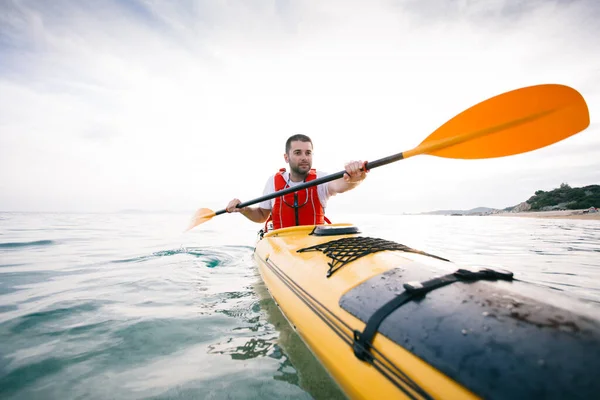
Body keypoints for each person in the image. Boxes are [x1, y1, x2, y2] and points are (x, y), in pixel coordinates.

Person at [225, 134, 368, 230]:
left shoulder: (321, 179)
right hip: (281, 244)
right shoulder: (273, 182)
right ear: (286, 157)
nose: (304, 157)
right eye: (298, 153)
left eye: (308, 153)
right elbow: (262, 215)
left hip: (315, 242)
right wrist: (244, 209)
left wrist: (356, 177)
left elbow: (341, 185)